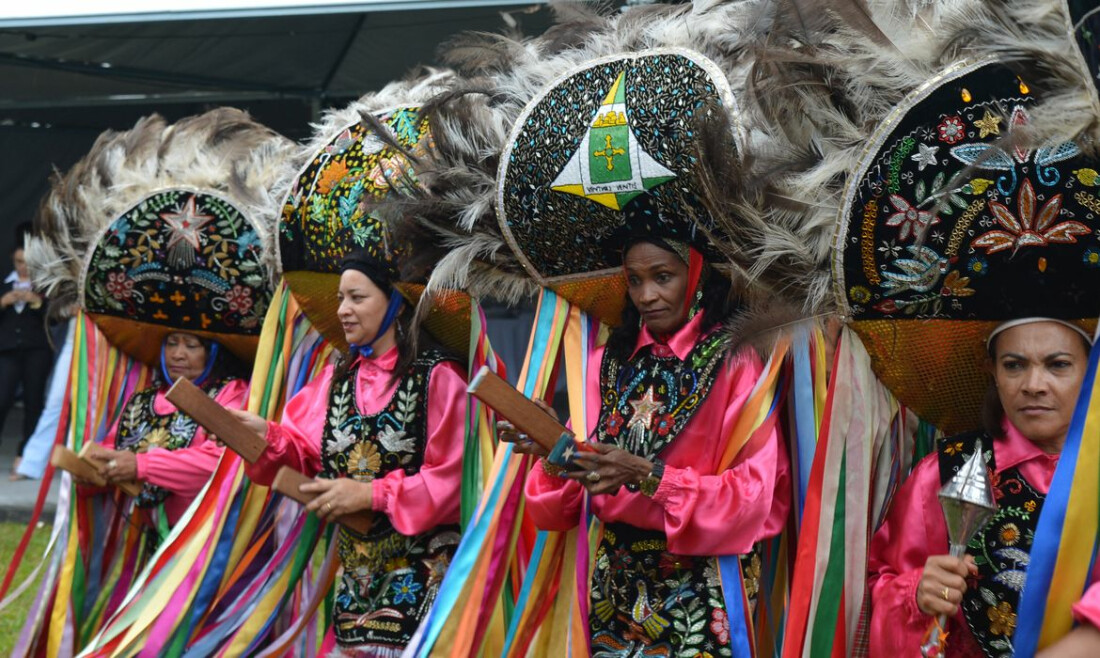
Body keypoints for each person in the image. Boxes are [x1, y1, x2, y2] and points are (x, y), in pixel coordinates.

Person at [503, 237, 790, 657]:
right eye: (634, 280)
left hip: (701, 584)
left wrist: (650, 477)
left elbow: (755, 499)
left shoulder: (737, 361)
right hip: (613, 586)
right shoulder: (604, 363)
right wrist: (555, 450)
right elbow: (556, 511)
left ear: (696, 275)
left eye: (662, 277)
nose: (646, 296)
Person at [234, 250, 468, 657]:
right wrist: (264, 437)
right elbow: (303, 453)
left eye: (357, 298)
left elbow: (454, 480)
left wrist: (372, 495)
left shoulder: (440, 377)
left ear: (395, 302)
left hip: (428, 585)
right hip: (356, 588)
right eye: (341, 298)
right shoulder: (337, 378)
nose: (343, 310)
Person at [868, 319, 1100, 656]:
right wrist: (916, 594)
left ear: (1092, 369)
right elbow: (880, 587)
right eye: (1014, 365)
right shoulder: (946, 473)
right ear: (991, 370)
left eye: (1058, 364)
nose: (1033, 385)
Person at [82, 331, 248, 527]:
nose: (177, 354)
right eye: (171, 343)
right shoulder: (147, 398)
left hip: (207, 534)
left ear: (213, 353)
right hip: (156, 532)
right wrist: (92, 467)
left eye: (191, 346)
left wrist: (142, 465)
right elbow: (114, 448)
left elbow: (222, 461)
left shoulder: (231, 393)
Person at [0, 236, 52, 478]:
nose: (23, 267)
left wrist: (37, 302)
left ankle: (25, 456)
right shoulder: (5, 281)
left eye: (27, 262)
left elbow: (56, 316)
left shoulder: (45, 284)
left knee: (34, 402)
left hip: (37, 350)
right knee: (2, 398)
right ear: (12, 258)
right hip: (7, 349)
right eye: (19, 261)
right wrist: (4, 301)